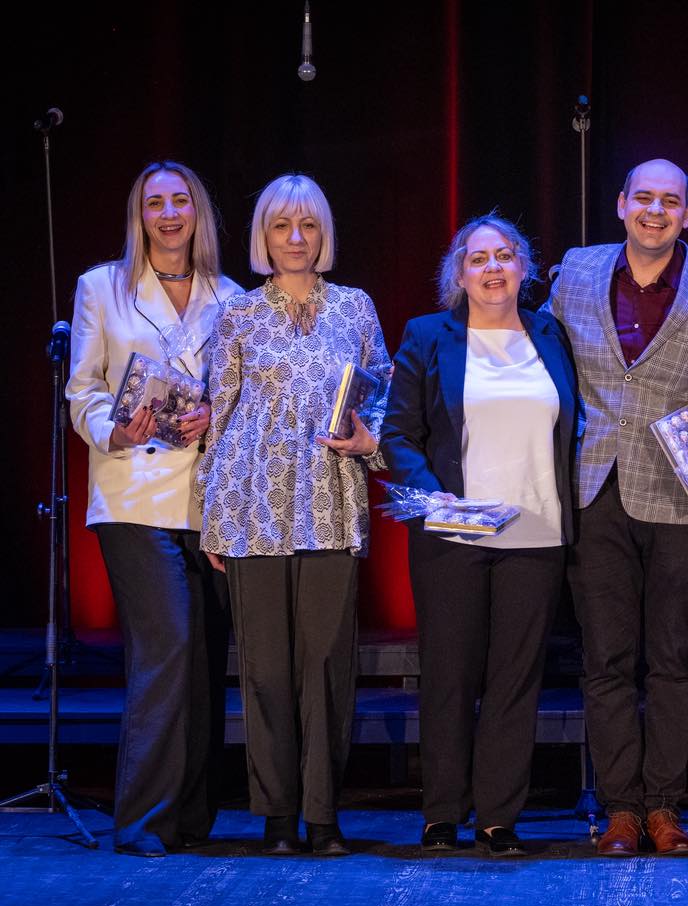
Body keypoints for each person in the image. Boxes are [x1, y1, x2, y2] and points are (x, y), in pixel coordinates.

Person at [544, 158, 688, 856]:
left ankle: (664, 808)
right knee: (606, 659)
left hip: (683, 492)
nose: (654, 210)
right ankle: (620, 810)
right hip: (595, 488)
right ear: (620, 203)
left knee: (673, 660)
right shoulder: (575, 272)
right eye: (643, 197)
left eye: (670, 201)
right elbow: (535, 362)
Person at [197, 173, 391, 857]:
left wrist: (371, 442)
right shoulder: (239, 315)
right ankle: (278, 816)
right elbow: (219, 418)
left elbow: (382, 396)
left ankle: (323, 815)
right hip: (252, 509)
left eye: (308, 224)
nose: (296, 238)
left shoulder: (355, 307)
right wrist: (211, 515)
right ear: (264, 236)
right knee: (266, 670)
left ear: (323, 232)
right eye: (282, 225)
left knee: (327, 665)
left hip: (331, 505)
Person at [381, 215, 579, 856]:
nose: (492, 268)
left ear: (523, 268)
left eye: (504, 256)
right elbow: (397, 433)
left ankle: (498, 817)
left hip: (537, 531)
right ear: (459, 275)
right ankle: (442, 813)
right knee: (449, 675)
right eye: (478, 258)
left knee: (515, 681)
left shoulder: (551, 333)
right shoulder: (427, 335)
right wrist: (430, 493)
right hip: (452, 532)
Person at [66, 161, 242, 857]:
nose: (168, 214)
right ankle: (142, 820)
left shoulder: (230, 296)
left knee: (202, 657)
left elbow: (239, 395)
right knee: (166, 646)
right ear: (139, 216)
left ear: (198, 213)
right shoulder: (101, 288)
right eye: (154, 203)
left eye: (180, 201)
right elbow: (82, 388)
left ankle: (191, 818)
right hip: (132, 493)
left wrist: (214, 414)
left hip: (207, 499)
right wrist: (114, 428)